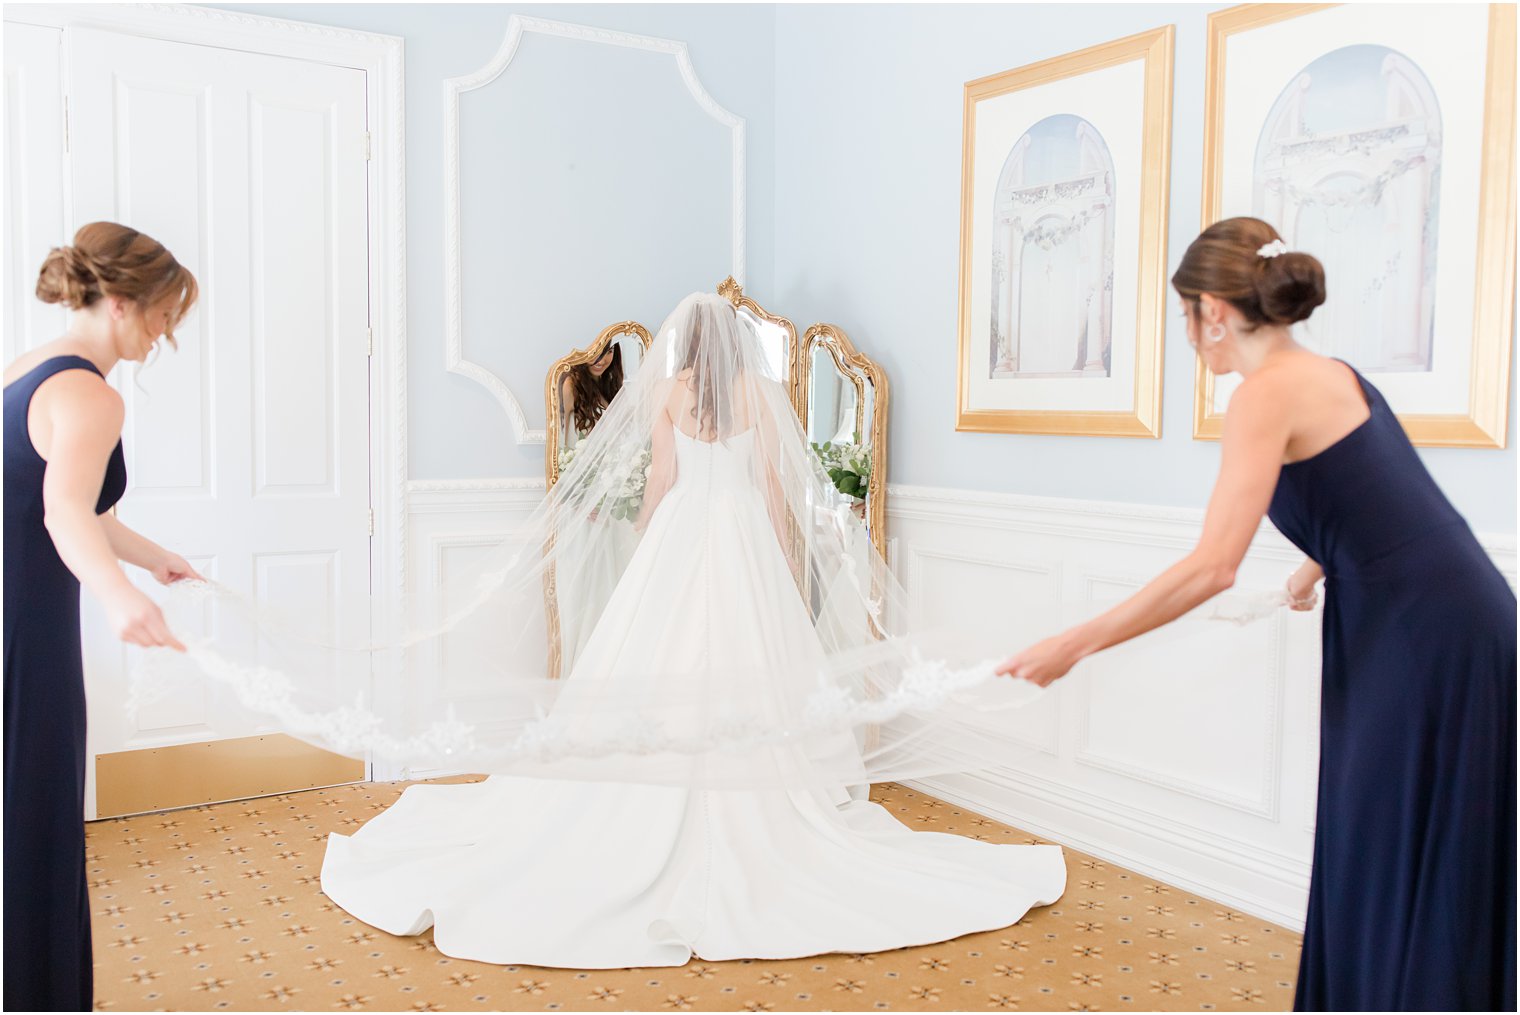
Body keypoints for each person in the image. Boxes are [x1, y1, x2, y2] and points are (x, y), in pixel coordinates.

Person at [316, 293, 1066, 967]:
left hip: (683, 534)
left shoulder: (671, 392)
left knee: (654, 660)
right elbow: (774, 490)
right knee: (755, 661)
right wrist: (785, 568)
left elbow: (662, 485)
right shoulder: (763, 392)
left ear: (684, 347)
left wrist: (648, 555)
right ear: (736, 346)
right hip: (741, 539)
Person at [997, 216, 1516, 1011]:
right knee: (1402, 836)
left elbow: (1213, 565)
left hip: (1422, 634)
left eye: (1184, 318)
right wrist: (1318, 562)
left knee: (1387, 838)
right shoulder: (1328, 373)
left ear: (1212, 311)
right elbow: (1380, 497)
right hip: (1452, 614)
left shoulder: (1262, 395)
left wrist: (1074, 642)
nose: (1188, 338)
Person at [4, 222, 200, 1011]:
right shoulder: (92, 394)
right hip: (29, 626)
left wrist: (151, 557)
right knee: (34, 810)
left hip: (13, 608)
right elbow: (61, 513)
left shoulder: (29, 370)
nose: (165, 334)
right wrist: (123, 598)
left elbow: (79, 507)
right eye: (161, 315)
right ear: (121, 303)